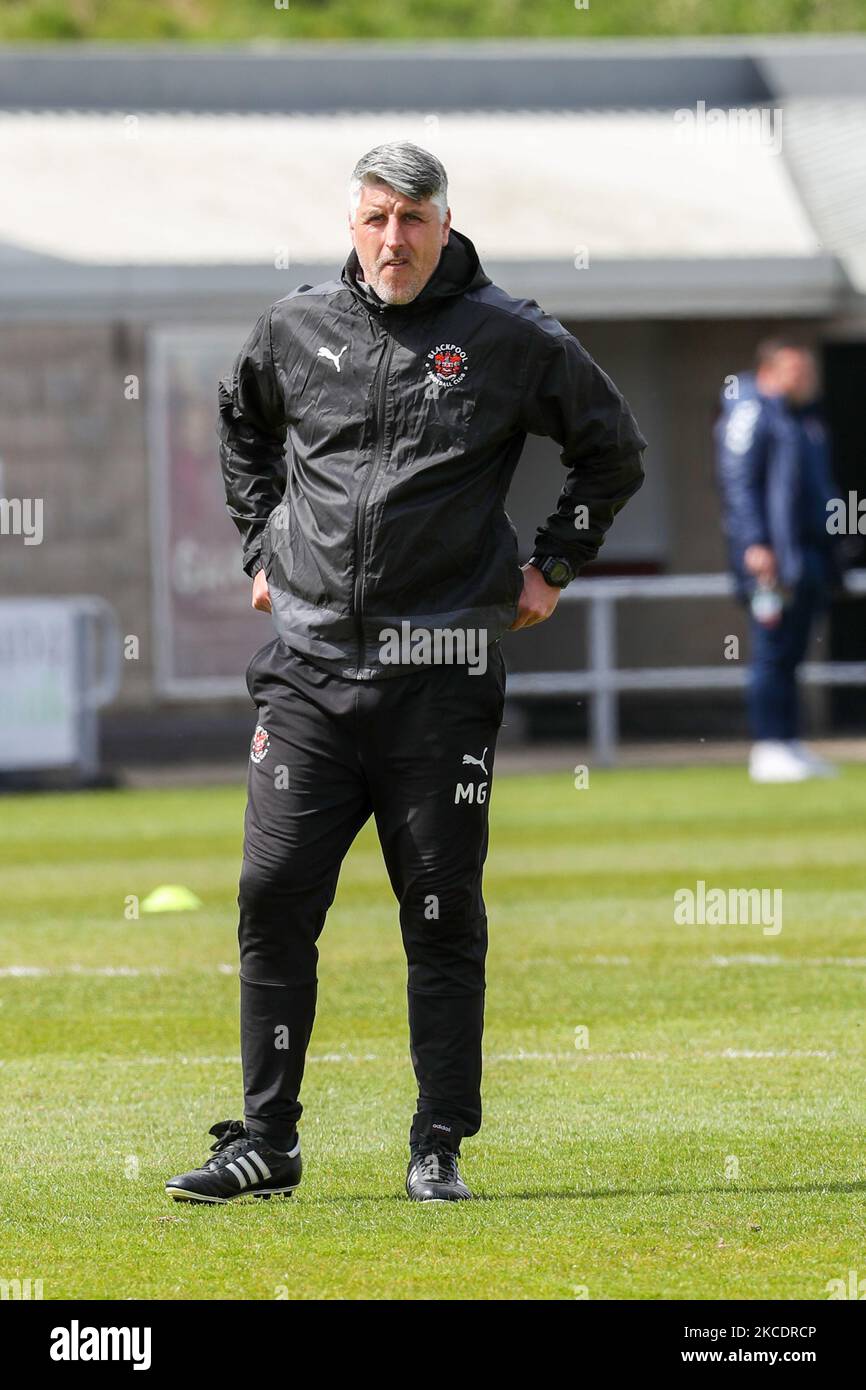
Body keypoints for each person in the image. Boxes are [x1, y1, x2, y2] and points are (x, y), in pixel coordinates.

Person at [165, 141, 646, 1205]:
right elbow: (240, 427)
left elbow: (611, 450)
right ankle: (265, 1140)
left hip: (439, 674)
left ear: (443, 223)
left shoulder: (509, 338)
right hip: (307, 669)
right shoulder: (291, 328)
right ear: (352, 223)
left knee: (435, 908)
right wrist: (260, 547)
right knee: (272, 894)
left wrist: (552, 563)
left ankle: (437, 1143)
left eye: (413, 219)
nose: (394, 239)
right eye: (377, 217)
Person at [714, 339, 839, 782]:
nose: (805, 379)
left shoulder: (800, 418)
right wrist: (755, 542)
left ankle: (788, 742)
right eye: (796, 370)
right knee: (771, 653)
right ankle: (768, 747)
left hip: (802, 560)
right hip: (770, 561)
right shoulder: (750, 409)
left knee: (792, 655)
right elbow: (737, 481)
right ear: (770, 370)